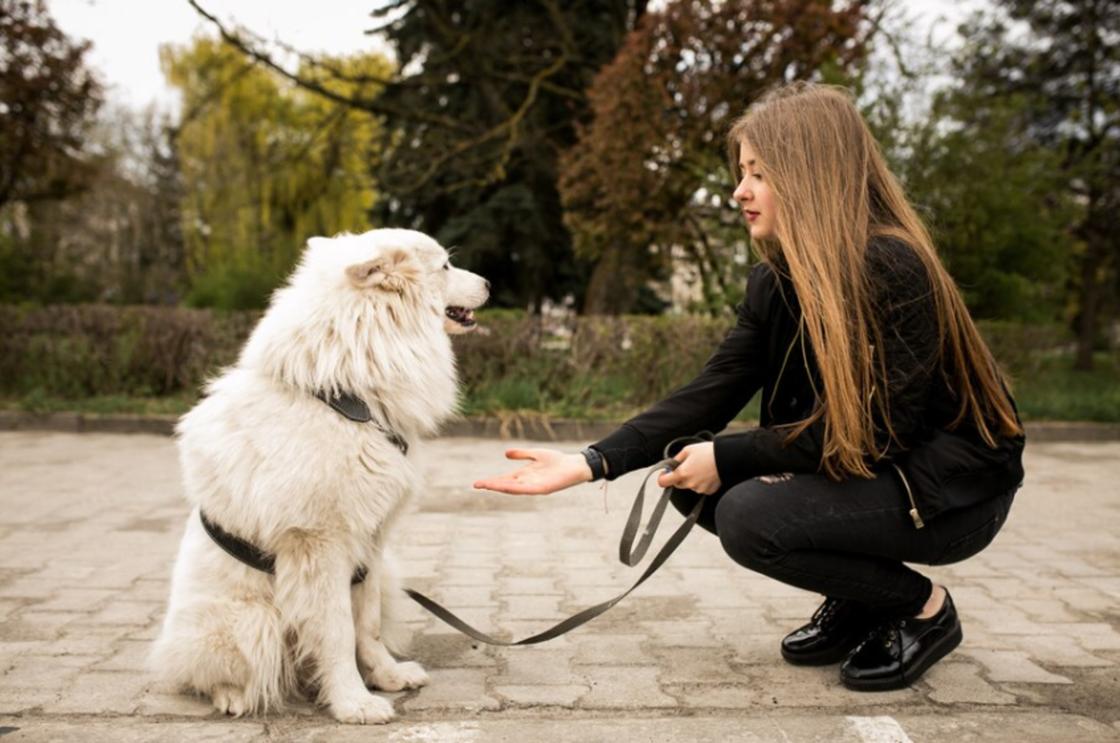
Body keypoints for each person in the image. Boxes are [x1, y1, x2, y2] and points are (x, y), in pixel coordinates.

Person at [472, 82, 1025, 691]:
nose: (739, 191)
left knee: (748, 512)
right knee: (691, 478)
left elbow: (877, 433)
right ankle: (863, 597)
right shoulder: (777, 281)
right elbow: (715, 387)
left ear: (811, 175)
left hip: (949, 497)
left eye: (758, 173)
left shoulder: (892, 267)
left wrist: (728, 455)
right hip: (877, 473)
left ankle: (922, 607)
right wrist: (591, 462)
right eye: (742, 173)